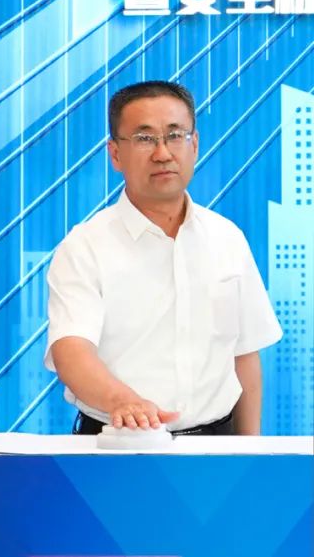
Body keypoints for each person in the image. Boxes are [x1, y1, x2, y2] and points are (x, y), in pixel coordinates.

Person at [46, 81, 282, 436]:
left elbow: (244, 355)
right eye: (144, 138)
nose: (162, 153)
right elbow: (71, 351)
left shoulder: (227, 238)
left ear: (195, 144)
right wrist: (123, 402)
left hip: (217, 445)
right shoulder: (84, 246)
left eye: (175, 136)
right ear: (115, 154)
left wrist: (250, 452)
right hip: (117, 444)